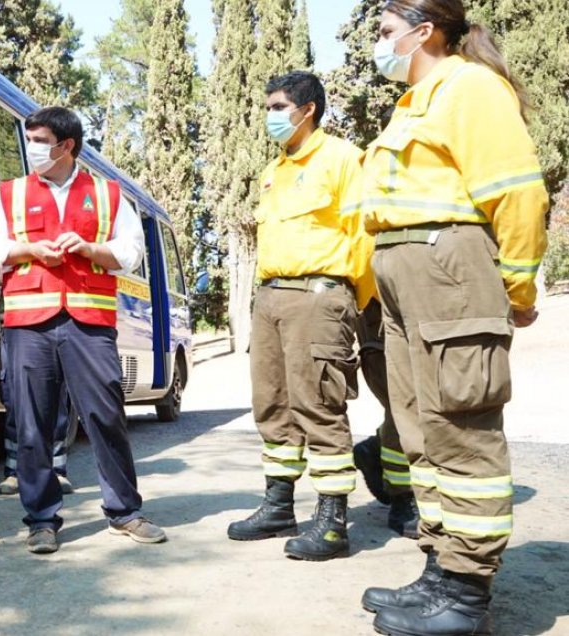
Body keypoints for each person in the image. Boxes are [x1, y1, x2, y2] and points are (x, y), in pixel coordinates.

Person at [358, 2, 548, 634]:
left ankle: (467, 594)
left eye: (385, 32)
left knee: (461, 429)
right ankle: (442, 567)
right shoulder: (415, 103)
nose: (378, 45)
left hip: (448, 267)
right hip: (406, 276)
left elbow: (519, 192)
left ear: (425, 31)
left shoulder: (470, 87)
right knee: (422, 431)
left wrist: (517, 287)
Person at [0, 106, 165, 554]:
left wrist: (90, 247)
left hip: (88, 323)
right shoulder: (11, 194)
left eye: (40, 141)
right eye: (30, 139)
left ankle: (124, 511)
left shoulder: (108, 195)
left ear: (67, 146)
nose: (32, 148)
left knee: (105, 414)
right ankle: (41, 519)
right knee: (32, 423)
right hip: (29, 324)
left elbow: (131, 251)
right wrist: (30, 249)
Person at [225, 72, 373, 562]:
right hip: (271, 298)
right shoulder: (274, 171)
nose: (270, 115)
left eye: (278, 106)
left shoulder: (342, 158)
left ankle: (332, 523)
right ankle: (279, 505)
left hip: (319, 295)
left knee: (318, 406)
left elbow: (364, 233)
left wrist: (350, 301)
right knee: (271, 405)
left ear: (307, 109)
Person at [0, 280, 74, 496]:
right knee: (15, 396)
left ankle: (56, 470)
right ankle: (15, 471)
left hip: (54, 317)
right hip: (15, 319)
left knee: (54, 396)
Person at [353, 298, 420, 539]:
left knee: (431, 401)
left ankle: (375, 450)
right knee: (405, 404)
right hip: (382, 301)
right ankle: (403, 495)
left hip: (433, 297)